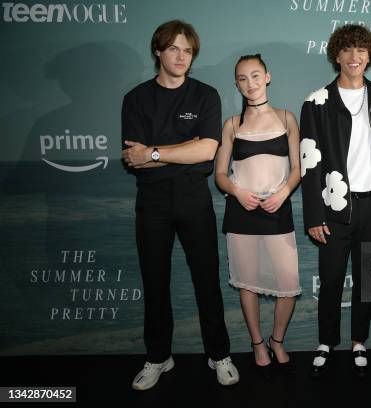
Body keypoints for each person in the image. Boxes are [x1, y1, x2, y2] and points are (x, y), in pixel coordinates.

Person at [121, 19, 239, 389]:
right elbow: (133, 158)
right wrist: (175, 153)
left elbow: (206, 150)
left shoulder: (205, 95)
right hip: (152, 202)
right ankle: (158, 357)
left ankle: (219, 355)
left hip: (193, 199)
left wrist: (155, 152)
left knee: (207, 281)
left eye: (188, 50)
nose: (181, 56)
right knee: (155, 284)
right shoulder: (136, 99)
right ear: (158, 51)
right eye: (173, 48)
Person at [300, 24, 371, 379]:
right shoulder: (316, 102)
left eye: (362, 51)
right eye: (348, 50)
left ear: (369, 56)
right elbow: (309, 161)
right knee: (332, 277)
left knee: (367, 279)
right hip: (335, 206)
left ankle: (359, 342)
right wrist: (313, 213)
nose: (355, 57)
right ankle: (326, 342)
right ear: (336, 55)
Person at [215, 54, 302, 379]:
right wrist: (237, 193)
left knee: (288, 283)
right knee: (247, 283)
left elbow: (298, 169)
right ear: (237, 84)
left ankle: (276, 339)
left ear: (267, 77)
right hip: (241, 212)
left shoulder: (286, 118)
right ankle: (256, 344)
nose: (249, 83)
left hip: (278, 210)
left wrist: (283, 193)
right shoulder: (232, 125)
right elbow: (220, 176)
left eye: (255, 76)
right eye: (242, 78)